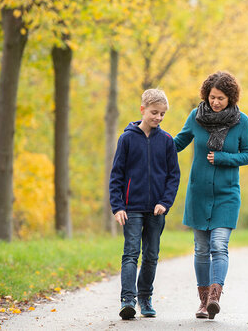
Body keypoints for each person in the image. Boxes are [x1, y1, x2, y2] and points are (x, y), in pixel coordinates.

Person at [173, 71, 248, 320]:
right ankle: (202, 301)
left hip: (226, 194)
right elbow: (178, 142)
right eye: (212, 97)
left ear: (231, 98)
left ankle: (214, 298)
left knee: (219, 246)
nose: (215, 102)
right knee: (200, 249)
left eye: (221, 98)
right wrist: (149, 137)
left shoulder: (242, 121)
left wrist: (223, 158)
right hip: (198, 193)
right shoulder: (195, 117)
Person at [109, 88, 181, 320]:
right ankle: (127, 300)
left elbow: (173, 176)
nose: (158, 117)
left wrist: (165, 202)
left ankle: (145, 297)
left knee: (151, 255)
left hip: (156, 209)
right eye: (154, 112)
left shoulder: (167, 141)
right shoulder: (127, 138)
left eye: (162, 114)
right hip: (131, 207)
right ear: (142, 110)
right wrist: (118, 206)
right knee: (131, 253)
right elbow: (117, 175)